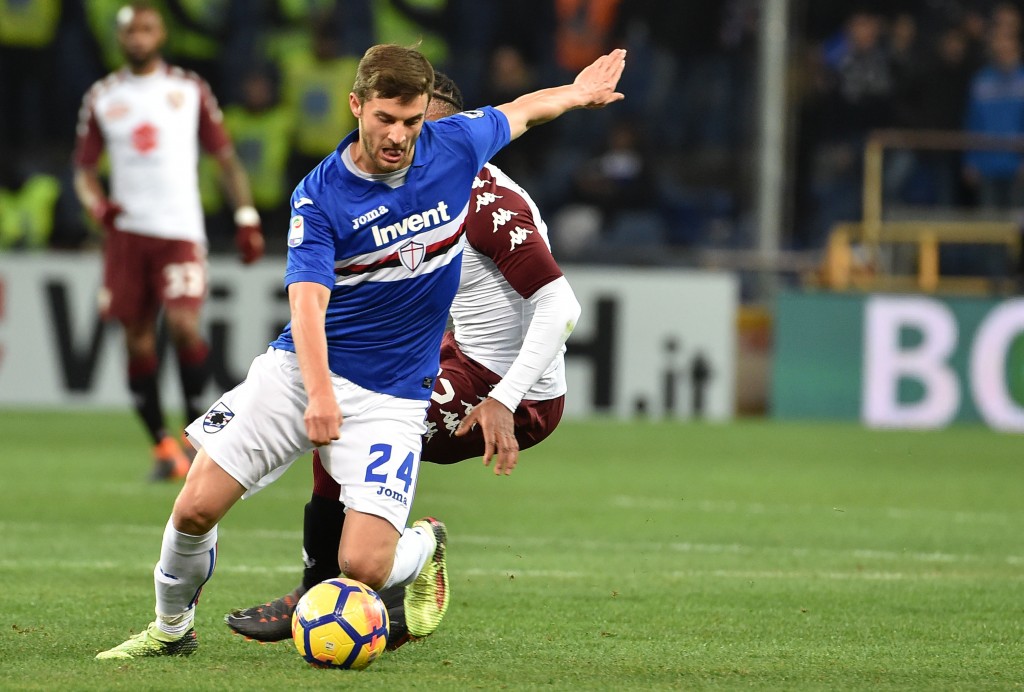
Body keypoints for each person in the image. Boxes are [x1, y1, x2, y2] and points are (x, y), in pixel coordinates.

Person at [93, 42, 625, 660]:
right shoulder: (321, 196)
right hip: (302, 373)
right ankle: (170, 629)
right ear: (357, 106)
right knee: (194, 508)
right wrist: (320, 395)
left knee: (365, 566)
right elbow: (307, 306)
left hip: (394, 396)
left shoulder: (455, 147)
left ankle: (420, 547)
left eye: (412, 121)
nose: (399, 136)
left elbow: (524, 110)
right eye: (385, 119)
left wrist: (578, 94)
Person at [222, 72, 581, 648]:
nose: (403, 144)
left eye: (418, 129)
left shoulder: (486, 200)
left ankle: (342, 580)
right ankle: (368, 588)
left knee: (346, 421)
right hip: (457, 356)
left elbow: (561, 305)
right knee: (337, 401)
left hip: (513, 391)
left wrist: (503, 400)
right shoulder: (403, 190)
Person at [72, 3, 265, 482]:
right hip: (126, 236)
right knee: (138, 341)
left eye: (147, 29)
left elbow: (225, 159)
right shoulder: (103, 96)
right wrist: (97, 206)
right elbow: (83, 172)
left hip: (179, 231)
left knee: (183, 325)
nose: (139, 37)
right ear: (120, 38)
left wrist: (245, 217)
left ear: (161, 35)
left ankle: (195, 436)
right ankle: (162, 445)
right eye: (131, 31)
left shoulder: (189, 89)